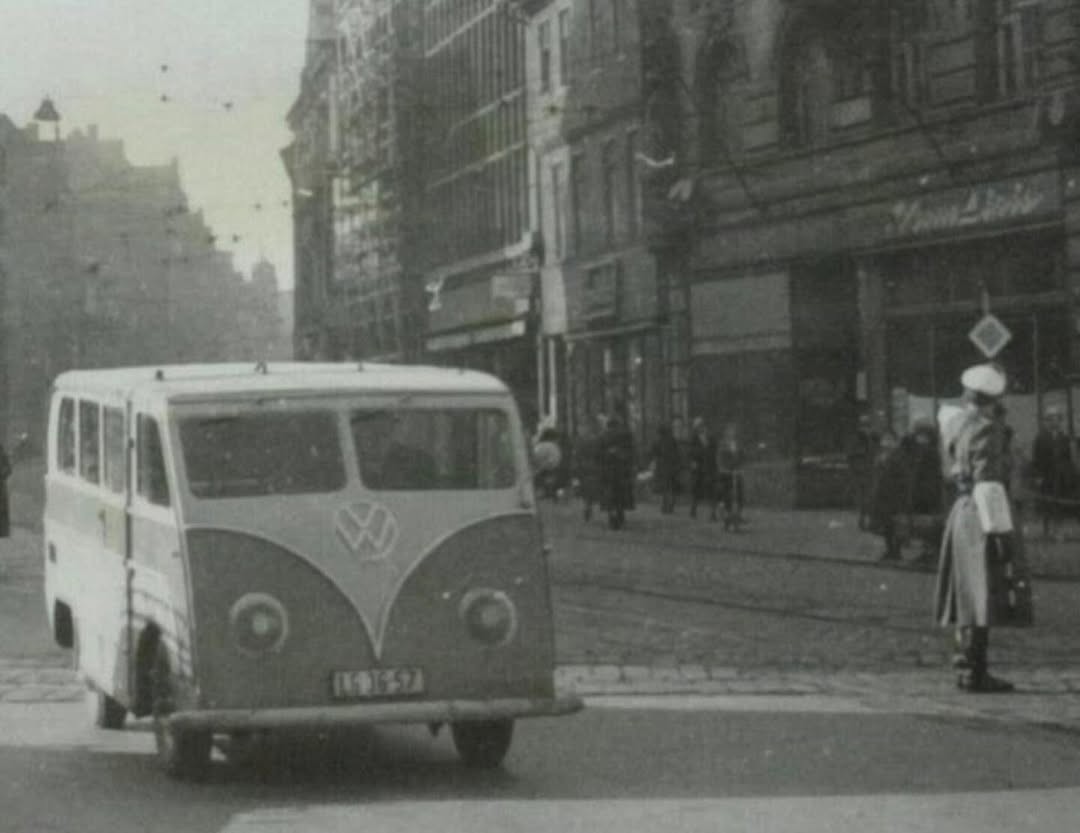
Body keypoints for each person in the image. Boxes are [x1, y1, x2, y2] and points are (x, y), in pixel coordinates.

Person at [934, 362, 1026, 693]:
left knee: (966, 593)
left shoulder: (956, 423)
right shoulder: (988, 430)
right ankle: (975, 671)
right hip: (982, 515)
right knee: (982, 592)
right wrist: (999, 531)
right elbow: (988, 483)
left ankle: (965, 665)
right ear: (994, 399)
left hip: (962, 512)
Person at [1031, 406, 1076, 540]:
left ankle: (1059, 530)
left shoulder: (1064, 438)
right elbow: (1037, 459)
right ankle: (1048, 530)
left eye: (1057, 419)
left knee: (1060, 503)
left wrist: (1070, 473)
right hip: (1047, 475)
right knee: (1048, 502)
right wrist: (1038, 476)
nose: (1055, 422)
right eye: (1051, 419)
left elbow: (1068, 458)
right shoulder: (1041, 438)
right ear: (1047, 421)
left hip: (1061, 476)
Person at [867, 431, 906, 560]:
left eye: (890, 440)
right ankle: (890, 549)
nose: (886, 443)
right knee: (885, 524)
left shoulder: (898, 457)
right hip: (881, 495)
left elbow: (901, 477)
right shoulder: (880, 456)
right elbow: (875, 476)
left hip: (893, 495)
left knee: (896, 524)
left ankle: (896, 551)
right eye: (885, 439)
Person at [599, 411, 635, 529]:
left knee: (609, 493)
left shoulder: (603, 435)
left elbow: (598, 453)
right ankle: (620, 514)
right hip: (621, 469)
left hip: (607, 469)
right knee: (621, 493)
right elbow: (631, 451)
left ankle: (612, 516)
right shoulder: (626, 434)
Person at [847, 414, 879, 530]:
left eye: (867, 426)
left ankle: (867, 520)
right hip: (861, 472)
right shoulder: (857, 439)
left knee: (870, 497)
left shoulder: (872, 438)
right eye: (864, 426)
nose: (866, 429)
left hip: (869, 471)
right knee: (863, 498)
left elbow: (875, 451)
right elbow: (853, 456)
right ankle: (863, 519)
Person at [574, 415, 606, 522]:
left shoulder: (581, 440)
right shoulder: (597, 439)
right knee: (592, 487)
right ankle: (589, 505)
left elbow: (577, 454)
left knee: (586, 488)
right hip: (594, 466)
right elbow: (601, 453)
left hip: (585, 467)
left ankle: (587, 505)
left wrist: (578, 465)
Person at [688, 417, 718, 521]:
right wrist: (694, 459)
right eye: (697, 427)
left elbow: (714, 449)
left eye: (701, 426)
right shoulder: (693, 438)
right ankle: (693, 509)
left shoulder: (710, 437)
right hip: (698, 467)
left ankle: (712, 513)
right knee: (696, 489)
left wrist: (706, 446)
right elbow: (691, 451)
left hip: (709, 467)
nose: (699, 428)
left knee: (711, 490)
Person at [717, 423, 745, 530]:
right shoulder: (723, 445)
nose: (732, 433)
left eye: (733, 431)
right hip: (726, 474)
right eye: (730, 431)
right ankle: (727, 518)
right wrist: (724, 468)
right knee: (727, 497)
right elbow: (720, 459)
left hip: (737, 473)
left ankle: (737, 518)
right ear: (726, 433)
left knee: (739, 496)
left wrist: (741, 468)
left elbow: (742, 456)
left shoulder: (738, 444)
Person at [649, 423, 681, 514]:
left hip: (662, 467)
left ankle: (665, 506)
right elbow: (677, 453)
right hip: (672, 466)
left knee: (665, 488)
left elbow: (653, 453)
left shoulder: (657, 441)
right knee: (671, 487)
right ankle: (670, 506)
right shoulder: (672, 440)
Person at [0, 442, 10, 544]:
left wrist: (2, 474)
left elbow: (8, 469)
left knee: (2, 509)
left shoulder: (2, 453)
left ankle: (2, 532)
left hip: (0, 486)